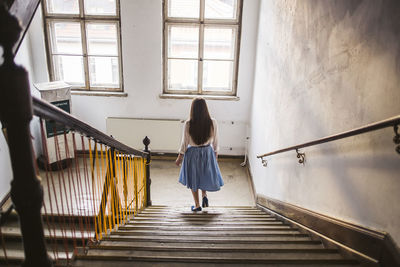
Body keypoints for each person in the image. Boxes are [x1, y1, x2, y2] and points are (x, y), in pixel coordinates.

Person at [175, 98, 224, 212]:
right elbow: (216, 140)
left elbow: (185, 142)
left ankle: (197, 205)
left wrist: (179, 157)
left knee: (194, 178)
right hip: (208, 152)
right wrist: (215, 155)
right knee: (205, 174)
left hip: (192, 153)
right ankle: (204, 195)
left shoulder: (188, 123)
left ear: (193, 109)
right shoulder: (213, 122)